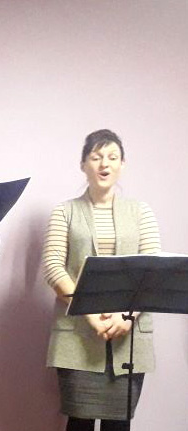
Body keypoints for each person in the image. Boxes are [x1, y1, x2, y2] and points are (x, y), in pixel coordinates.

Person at [41, 129, 160, 431]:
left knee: (118, 425)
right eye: (96, 157)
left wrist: (127, 316)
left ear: (122, 164)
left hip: (128, 336)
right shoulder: (65, 211)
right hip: (78, 334)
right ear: (83, 164)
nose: (104, 164)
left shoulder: (141, 212)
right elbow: (54, 267)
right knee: (79, 423)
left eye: (112, 157)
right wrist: (90, 314)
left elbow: (152, 271)